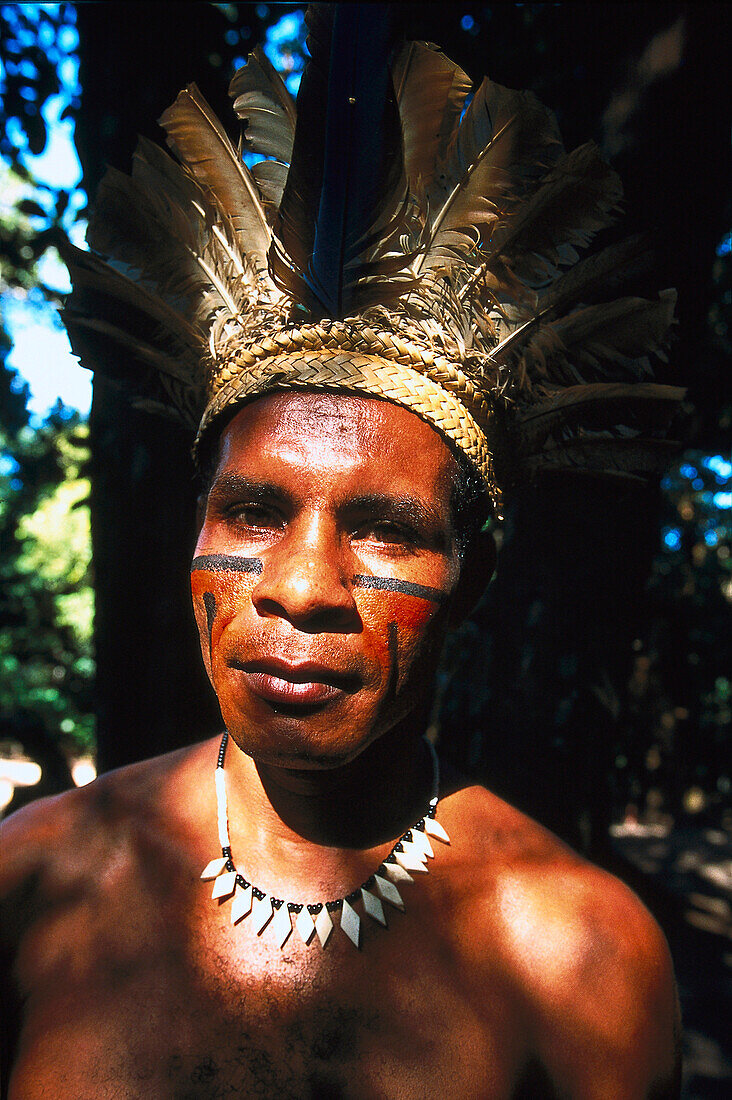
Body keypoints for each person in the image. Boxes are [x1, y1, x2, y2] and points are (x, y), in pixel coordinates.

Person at [1, 8, 682, 1097]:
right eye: (254, 511)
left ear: (475, 578)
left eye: (385, 528)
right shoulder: (38, 877)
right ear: (196, 532)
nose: (303, 586)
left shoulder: (582, 955)